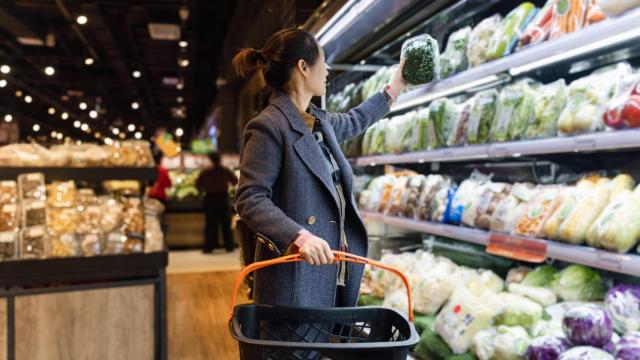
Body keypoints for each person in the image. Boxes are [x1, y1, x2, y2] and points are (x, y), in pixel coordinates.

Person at [233, 29, 405, 313]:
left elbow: (355, 120)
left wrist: (395, 87)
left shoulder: (318, 121)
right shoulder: (268, 126)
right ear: (303, 67)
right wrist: (298, 237)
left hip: (331, 271)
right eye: (323, 61)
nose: (327, 70)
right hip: (295, 277)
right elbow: (250, 198)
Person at [196, 152, 238, 253]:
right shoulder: (225, 170)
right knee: (226, 225)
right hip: (223, 199)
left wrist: (202, 191)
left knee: (210, 225)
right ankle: (229, 246)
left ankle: (209, 247)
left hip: (210, 199)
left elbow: (198, 184)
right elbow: (235, 180)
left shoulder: (205, 171)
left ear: (210, 160)